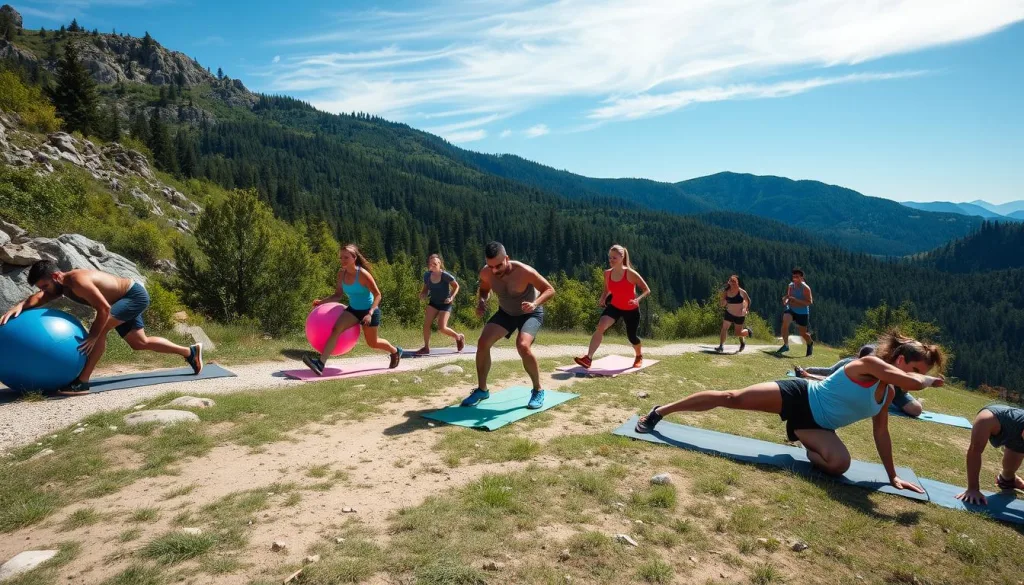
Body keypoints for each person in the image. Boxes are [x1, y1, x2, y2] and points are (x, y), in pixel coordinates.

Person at [635, 330, 945, 490]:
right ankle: (660, 411)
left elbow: (881, 433)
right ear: (902, 363)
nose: (917, 375)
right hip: (799, 396)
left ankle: (801, 439)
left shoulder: (888, 393)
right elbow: (911, 382)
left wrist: (892, 476)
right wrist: (926, 380)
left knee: (839, 465)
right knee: (732, 397)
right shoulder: (869, 364)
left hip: (817, 426)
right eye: (916, 369)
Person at [0, 261, 202, 395]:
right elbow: (41, 298)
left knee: (101, 329)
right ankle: (190, 352)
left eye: (44, 285)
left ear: (55, 276)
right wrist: (20, 305)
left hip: (133, 296)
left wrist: (94, 336)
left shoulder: (77, 281)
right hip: (122, 301)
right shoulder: (62, 286)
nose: (43, 291)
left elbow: (104, 309)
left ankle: (83, 382)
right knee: (140, 343)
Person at [460, 242, 555, 410]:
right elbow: (484, 290)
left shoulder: (524, 271)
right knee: (483, 343)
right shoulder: (486, 272)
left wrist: (535, 303)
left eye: (499, 265)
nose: (495, 270)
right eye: (491, 266)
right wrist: (482, 301)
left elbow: (549, 289)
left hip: (530, 313)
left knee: (523, 346)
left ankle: (538, 390)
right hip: (506, 313)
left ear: (507, 259)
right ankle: (482, 390)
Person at [302, 244, 402, 375]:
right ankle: (320, 364)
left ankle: (395, 351)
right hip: (354, 310)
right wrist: (321, 302)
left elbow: (378, 295)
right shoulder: (341, 274)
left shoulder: (363, 275)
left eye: (346, 257)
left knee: (373, 343)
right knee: (336, 329)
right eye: (341, 258)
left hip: (369, 311)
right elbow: (338, 295)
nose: (342, 260)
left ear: (354, 258)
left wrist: (370, 314)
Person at [574, 245, 650, 369]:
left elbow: (647, 290)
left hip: (631, 309)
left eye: (614, 258)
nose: (611, 260)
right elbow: (607, 290)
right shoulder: (607, 273)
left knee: (632, 337)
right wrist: (603, 297)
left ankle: (638, 355)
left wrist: (637, 300)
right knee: (601, 326)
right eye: (610, 258)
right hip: (615, 306)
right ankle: (588, 358)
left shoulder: (630, 273)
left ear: (622, 257)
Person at [795, 344, 923, 418]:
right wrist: (807, 373)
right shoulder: (853, 364)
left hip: (893, 389)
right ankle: (806, 371)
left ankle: (806, 372)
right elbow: (830, 377)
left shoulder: (891, 368)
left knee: (916, 409)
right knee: (830, 373)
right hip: (868, 381)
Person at [955, 404, 1024, 505]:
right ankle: (973, 488)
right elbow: (974, 452)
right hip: (994, 416)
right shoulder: (987, 419)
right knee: (976, 448)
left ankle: (1007, 479)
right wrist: (973, 489)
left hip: (1016, 433)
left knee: (1008, 474)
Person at [414, 254, 465, 355]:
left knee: (442, 327)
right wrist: (422, 295)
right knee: (426, 325)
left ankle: (458, 337)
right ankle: (426, 348)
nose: (432, 265)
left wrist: (451, 297)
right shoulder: (427, 275)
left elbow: (456, 286)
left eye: (435, 263)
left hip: (445, 304)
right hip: (433, 303)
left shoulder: (445, 276)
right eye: (430, 264)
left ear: (439, 264)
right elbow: (425, 289)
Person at [778, 268, 813, 356]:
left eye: (797, 277)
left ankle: (810, 343)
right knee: (785, 322)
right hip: (791, 310)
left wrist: (796, 300)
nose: (794, 279)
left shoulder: (805, 288)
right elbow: (789, 297)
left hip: (802, 312)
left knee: (803, 333)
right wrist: (785, 300)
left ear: (801, 278)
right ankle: (786, 345)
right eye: (793, 277)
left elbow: (809, 302)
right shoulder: (791, 285)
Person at [716, 274, 753, 353]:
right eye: (731, 282)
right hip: (729, 313)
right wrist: (724, 302)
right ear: (729, 283)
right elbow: (721, 303)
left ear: (737, 283)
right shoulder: (726, 292)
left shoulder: (742, 292)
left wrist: (745, 309)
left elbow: (748, 301)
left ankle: (748, 331)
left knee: (738, 333)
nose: (733, 284)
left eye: (735, 282)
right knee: (724, 328)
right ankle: (721, 346)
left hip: (739, 315)